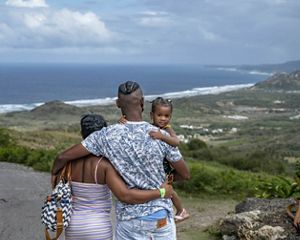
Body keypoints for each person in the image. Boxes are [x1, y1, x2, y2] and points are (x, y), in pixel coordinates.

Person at [52, 81, 190, 240]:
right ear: (143, 102)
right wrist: (166, 181)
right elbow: (185, 174)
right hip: (160, 218)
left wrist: (54, 175)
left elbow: (63, 157)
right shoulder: (161, 135)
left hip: (129, 221)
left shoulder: (104, 136)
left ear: (118, 103)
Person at [55, 114, 173, 240]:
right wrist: (161, 192)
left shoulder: (69, 164)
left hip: (73, 225)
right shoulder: (104, 164)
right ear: (103, 135)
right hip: (98, 226)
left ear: (81, 133)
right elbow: (124, 195)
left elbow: (58, 191)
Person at [148, 97, 190, 223]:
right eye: (159, 115)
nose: (163, 118)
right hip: (158, 169)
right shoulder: (148, 127)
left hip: (166, 170)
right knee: (164, 191)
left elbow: (176, 142)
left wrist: (162, 136)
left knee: (169, 191)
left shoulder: (166, 129)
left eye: (167, 116)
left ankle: (181, 210)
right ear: (152, 115)